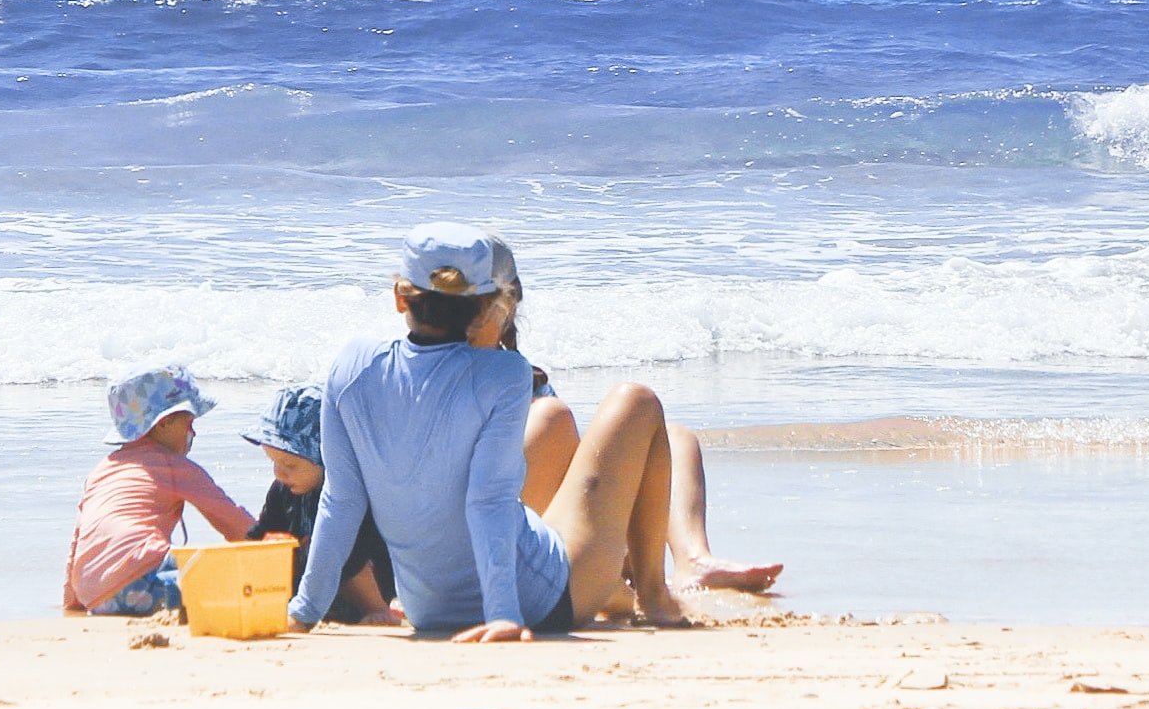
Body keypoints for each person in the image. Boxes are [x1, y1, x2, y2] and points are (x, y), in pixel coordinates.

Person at [286, 228, 689, 640]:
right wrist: (504, 614)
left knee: (544, 451)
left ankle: (621, 592)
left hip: (429, 611)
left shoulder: (351, 367)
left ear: (399, 297)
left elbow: (343, 499)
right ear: (485, 306)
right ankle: (653, 595)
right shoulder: (505, 373)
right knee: (635, 401)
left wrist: (303, 611)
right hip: (543, 602)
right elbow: (488, 500)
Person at [484, 237, 784, 597]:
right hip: (521, 537)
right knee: (562, 420)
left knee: (674, 437)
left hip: (557, 520)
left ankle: (694, 559)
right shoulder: (494, 382)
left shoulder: (519, 376)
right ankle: (642, 580)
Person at [62, 364, 256, 618]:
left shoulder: (102, 470)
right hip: (141, 583)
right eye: (189, 423)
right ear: (164, 424)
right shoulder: (172, 465)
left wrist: (72, 602)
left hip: (95, 596)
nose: (193, 433)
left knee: (183, 563)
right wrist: (271, 549)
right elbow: (231, 521)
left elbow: (77, 542)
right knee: (232, 576)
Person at [242, 383, 398, 625]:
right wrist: (267, 542)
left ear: (326, 458)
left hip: (366, 573)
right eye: (273, 461)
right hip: (313, 582)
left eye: (290, 465)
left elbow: (365, 545)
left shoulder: (347, 493)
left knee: (335, 547)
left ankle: (377, 609)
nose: (279, 474)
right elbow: (257, 535)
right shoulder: (282, 490)